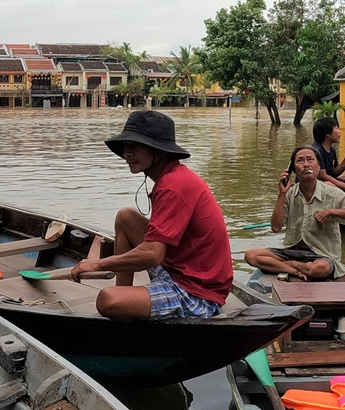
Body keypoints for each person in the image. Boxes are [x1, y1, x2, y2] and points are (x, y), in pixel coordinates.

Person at [71, 110, 233, 321]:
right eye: (126, 147)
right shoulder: (171, 178)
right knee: (125, 216)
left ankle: (123, 302)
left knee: (108, 300)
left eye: (135, 147)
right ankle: (125, 293)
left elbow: (152, 255)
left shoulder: (174, 185)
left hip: (197, 294)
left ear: (161, 152)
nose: (127, 153)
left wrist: (97, 264)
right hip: (177, 270)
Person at [244, 146, 345, 280]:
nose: (306, 165)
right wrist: (281, 194)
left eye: (310, 160)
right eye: (300, 161)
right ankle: (295, 270)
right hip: (292, 250)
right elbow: (276, 227)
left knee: (320, 269)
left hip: (321, 254)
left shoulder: (332, 193)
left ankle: (287, 266)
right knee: (250, 255)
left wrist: (330, 212)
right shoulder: (290, 194)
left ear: (318, 166)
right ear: (293, 170)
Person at [309, 117, 345, 195]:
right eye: (336, 128)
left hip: (326, 182)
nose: (339, 132)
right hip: (313, 185)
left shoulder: (332, 149)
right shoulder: (316, 150)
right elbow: (322, 176)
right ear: (327, 133)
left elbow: (334, 173)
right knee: (336, 186)